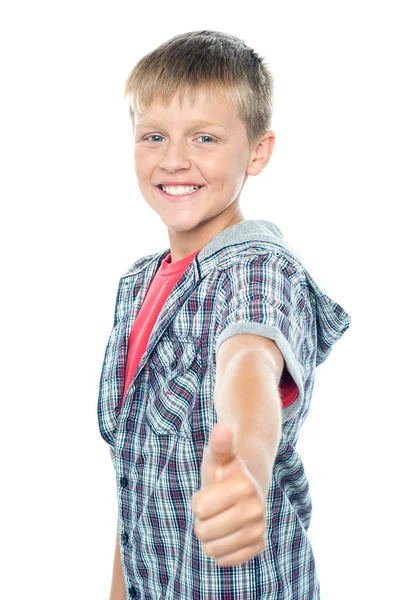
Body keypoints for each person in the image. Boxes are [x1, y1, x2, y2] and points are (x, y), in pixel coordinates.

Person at [97, 30, 351, 600]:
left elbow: (249, 366)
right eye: (153, 136)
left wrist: (244, 469)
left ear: (257, 151)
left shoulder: (257, 269)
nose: (173, 159)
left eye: (205, 137)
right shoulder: (137, 287)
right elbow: (135, 487)